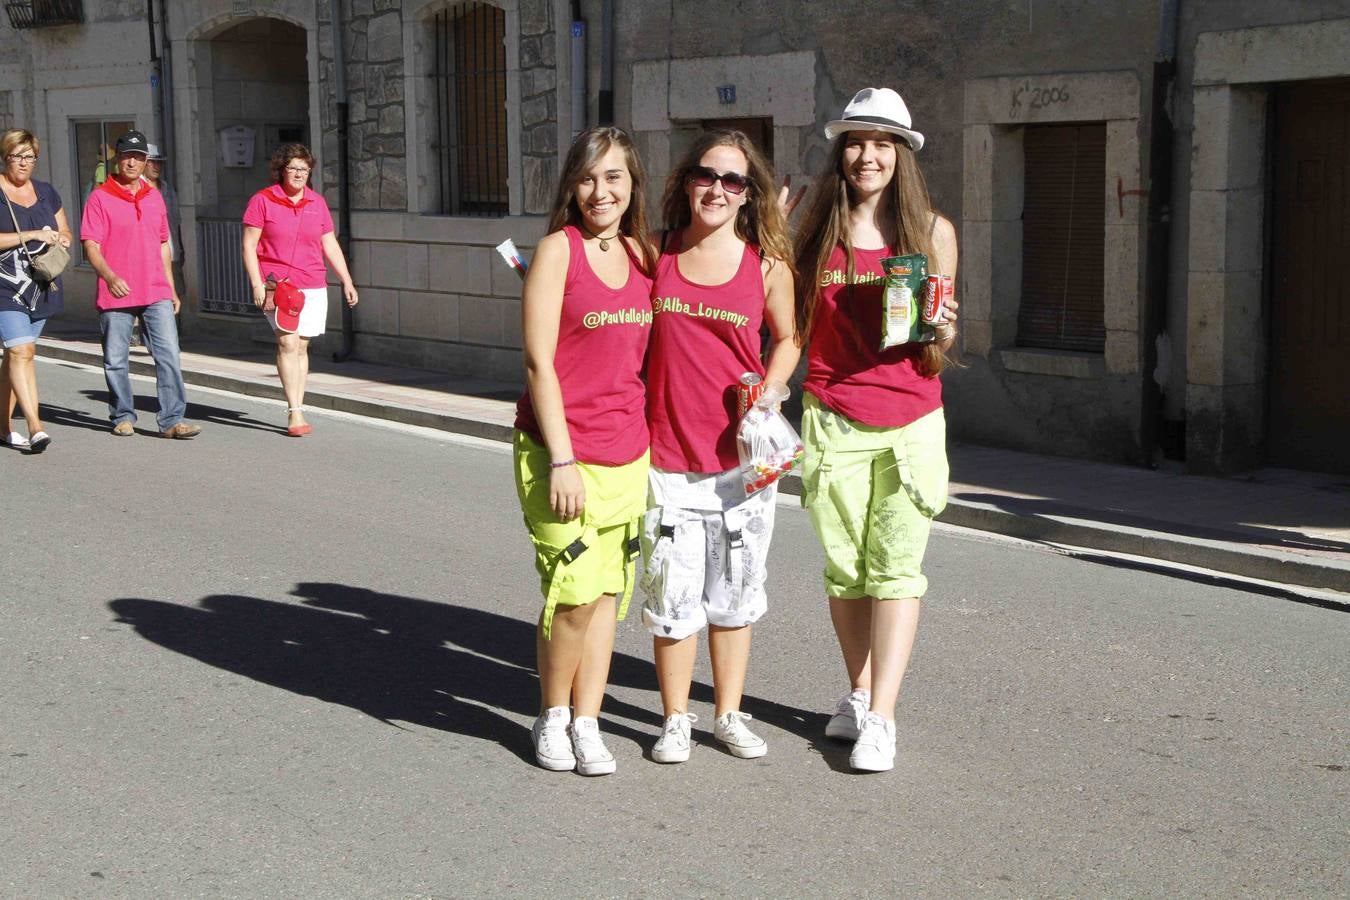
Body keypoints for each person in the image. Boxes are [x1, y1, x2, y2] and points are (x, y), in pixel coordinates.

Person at [793, 88, 960, 772]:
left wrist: (938, 318)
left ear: (902, 156)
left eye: (882, 144)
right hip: (832, 416)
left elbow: (944, 335)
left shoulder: (932, 231)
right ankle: (857, 692)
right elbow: (788, 320)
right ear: (842, 151)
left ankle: (883, 717)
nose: (868, 156)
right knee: (846, 572)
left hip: (911, 420)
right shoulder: (816, 225)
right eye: (857, 142)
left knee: (895, 570)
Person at [640, 130, 798, 764]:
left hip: (742, 465)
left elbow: (788, 338)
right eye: (707, 175)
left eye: (734, 181)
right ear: (686, 180)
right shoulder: (656, 253)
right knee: (672, 602)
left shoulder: (766, 265)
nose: (718, 189)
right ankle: (676, 719)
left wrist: (773, 387)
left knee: (734, 596)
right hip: (665, 458)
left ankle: (727, 714)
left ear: (748, 195)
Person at [514, 126, 655, 775]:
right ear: (573, 185)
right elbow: (541, 362)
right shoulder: (556, 252)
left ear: (632, 185)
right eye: (590, 178)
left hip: (628, 453)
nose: (602, 191)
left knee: (606, 597)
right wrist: (564, 458)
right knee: (573, 592)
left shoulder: (646, 256)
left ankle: (589, 720)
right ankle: (554, 714)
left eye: (615, 178)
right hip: (559, 451)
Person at [81, 129, 201, 439]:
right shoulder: (100, 197)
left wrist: (171, 287)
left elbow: (164, 244)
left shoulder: (154, 197)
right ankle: (122, 415)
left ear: (145, 161)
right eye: (126, 157)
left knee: (169, 355)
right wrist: (109, 276)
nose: (132, 162)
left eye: (138, 157)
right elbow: (90, 245)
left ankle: (172, 420)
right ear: (117, 160)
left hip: (155, 290)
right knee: (116, 359)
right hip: (116, 290)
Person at [242, 143, 358, 436]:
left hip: (313, 284)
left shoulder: (316, 203)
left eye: (304, 170)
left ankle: (299, 404)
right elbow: (249, 244)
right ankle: (295, 411)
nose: (298, 174)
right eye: (293, 168)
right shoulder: (262, 200)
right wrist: (256, 282)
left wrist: (346, 279)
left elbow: (329, 243)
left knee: (303, 346)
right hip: (279, 284)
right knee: (288, 344)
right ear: (281, 170)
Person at [0, 129, 71, 453]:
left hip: (40, 285)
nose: (24, 163)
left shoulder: (46, 192)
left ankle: (2, 427)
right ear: (6, 157)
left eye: (30, 157)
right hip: (4, 286)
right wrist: (30, 234)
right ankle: (35, 426)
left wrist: (60, 239)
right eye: (18, 156)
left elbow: (65, 229)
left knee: (16, 358)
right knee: (21, 352)